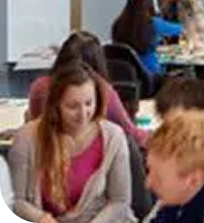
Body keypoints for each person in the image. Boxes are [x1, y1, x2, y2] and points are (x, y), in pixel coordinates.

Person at [9, 62, 133, 223]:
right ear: (56, 105)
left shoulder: (113, 137)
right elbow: (16, 201)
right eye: (72, 106)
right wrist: (41, 218)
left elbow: (120, 201)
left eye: (89, 103)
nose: (83, 114)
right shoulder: (26, 138)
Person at [27, 31, 149, 147]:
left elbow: (33, 126)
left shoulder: (39, 87)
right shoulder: (102, 90)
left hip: (43, 157)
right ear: (99, 62)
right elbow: (132, 134)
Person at [112, 0, 181, 77]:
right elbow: (181, 29)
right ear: (150, 6)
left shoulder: (117, 24)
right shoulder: (154, 24)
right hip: (152, 75)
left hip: (125, 76)